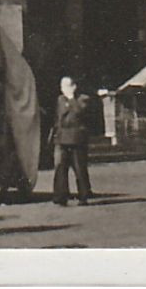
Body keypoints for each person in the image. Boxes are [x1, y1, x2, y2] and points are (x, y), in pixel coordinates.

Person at [52, 76, 92, 206]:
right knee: (60, 167)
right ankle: (61, 196)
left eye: (66, 86)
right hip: (62, 137)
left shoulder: (83, 98)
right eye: (62, 86)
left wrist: (71, 99)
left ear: (74, 87)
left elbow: (79, 112)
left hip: (77, 138)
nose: (63, 89)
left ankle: (83, 195)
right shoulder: (60, 99)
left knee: (79, 168)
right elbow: (61, 115)